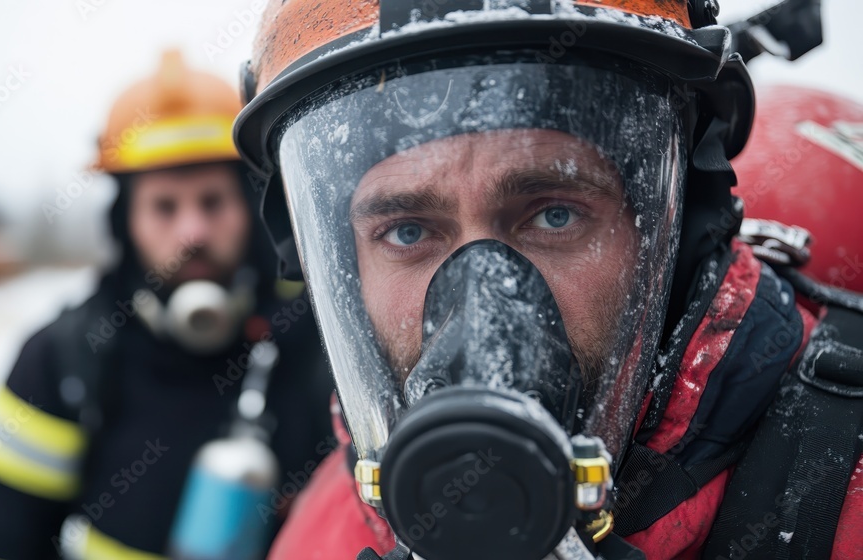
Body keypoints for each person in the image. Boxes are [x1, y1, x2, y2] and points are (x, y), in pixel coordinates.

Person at [229, 1, 863, 559]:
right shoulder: (325, 528)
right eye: (408, 232)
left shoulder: (842, 499)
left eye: (554, 216)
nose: (483, 309)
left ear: (675, 231)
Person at [0, 50, 334, 560]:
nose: (192, 232)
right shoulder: (64, 361)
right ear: (126, 222)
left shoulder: (325, 338)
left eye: (212, 202)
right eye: (164, 207)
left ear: (252, 207)